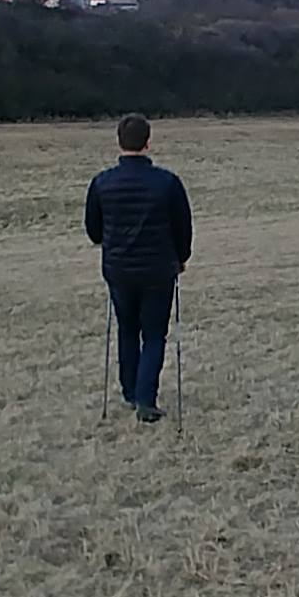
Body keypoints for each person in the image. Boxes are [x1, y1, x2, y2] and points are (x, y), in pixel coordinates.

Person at [85, 113, 193, 422]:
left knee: (127, 330)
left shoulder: (102, 183)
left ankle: (130, 391)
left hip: (118, 271)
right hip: (159, 271)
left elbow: (94, 230)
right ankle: (146, 399)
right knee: (155, 334)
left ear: (119, 142)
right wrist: (181, 257)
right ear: (148, 142)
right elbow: (183, 227)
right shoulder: (167, 182)